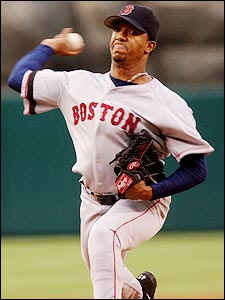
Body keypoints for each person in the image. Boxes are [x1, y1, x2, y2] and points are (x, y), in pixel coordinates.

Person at [8, 4, 214, 299]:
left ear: (149, 46)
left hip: (141, 201)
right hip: (91, 199)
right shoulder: (76, 84)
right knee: (111, 274)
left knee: (105, 238)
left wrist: (152, 192)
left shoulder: (168, 103)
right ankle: (141, 291)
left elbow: (197, 169)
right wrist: (49, 45)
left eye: (132, 32)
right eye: (118, 29)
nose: (121, 36)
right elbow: (19, 79)